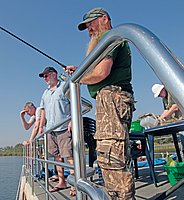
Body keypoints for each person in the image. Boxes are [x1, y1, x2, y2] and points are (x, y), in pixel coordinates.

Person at [65, 7, 135, 200]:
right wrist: (80, 70)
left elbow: (101, 73)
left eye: (91, 24)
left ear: (104, 19)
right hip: (107, 100)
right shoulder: (107, 40)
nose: (89, 30)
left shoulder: (110, 38)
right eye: (87, 26)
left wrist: (78, 78)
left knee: (114, 157)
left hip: (112, 97)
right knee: (108, 156)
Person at [38, 66, 75, 195]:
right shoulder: (45, 93)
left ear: (54, 74)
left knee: (69, 155)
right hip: (50, 129)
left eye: (46, 75)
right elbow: (43, 110)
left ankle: (75, 184)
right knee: (57, 157)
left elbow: (74, 103)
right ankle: (62, 181)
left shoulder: (65, 86)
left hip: (64, 127)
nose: (44, 78)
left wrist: (71, 121)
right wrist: (42, 127)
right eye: (43, 77)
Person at [152, 83, 184, 155]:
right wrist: (159, 118)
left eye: (160, 94)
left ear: (162, 89)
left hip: (182, 118)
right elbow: (166, 110)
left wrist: (162, 117)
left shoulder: (171, 93)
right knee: (182, 141)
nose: (160, 96)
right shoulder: (164, 99)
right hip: (179, 121)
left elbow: (175, 107)